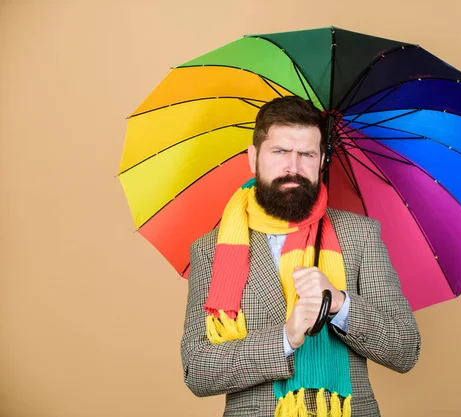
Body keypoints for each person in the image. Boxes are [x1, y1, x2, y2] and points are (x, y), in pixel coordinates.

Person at [180, 96, 421, 416]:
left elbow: (405, 349)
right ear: (253, 158)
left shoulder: (359, 235)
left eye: (306, 154)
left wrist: (339, 304)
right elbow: (196, 370)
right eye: (280, 152)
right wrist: (285, 338)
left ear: (322, 160)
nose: (292, 167)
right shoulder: (209, 250)